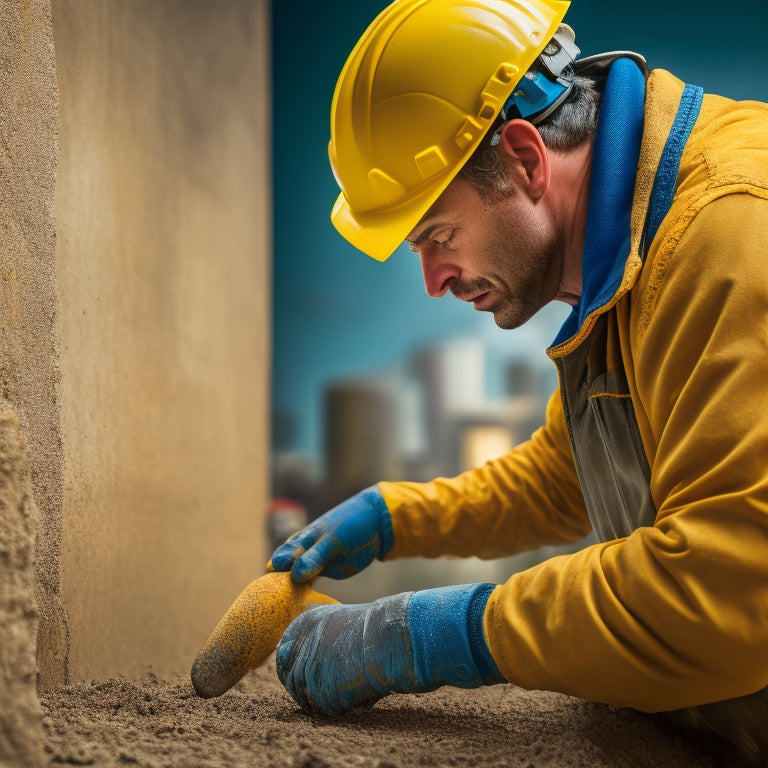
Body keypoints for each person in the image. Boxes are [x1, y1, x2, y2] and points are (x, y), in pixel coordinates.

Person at [269, 0, 768, 759]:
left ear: (528, 157)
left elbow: (732, 590)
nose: (435, 280)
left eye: (438, 235)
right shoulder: (627, 257)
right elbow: (568, 476)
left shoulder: (727, 234)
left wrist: (439, 634)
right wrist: (395, 516)